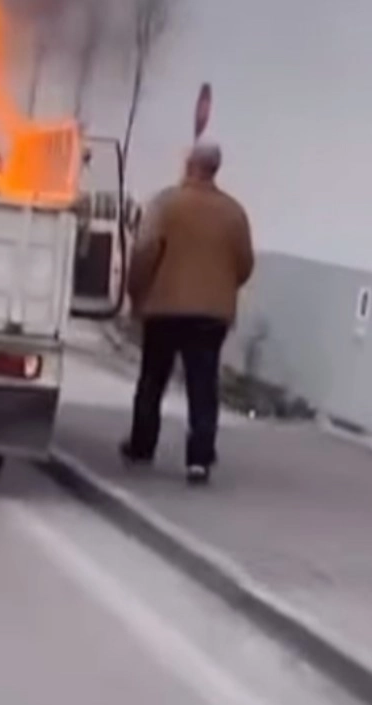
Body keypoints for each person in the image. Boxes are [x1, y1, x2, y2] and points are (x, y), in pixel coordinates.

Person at [121, 142, 255, 484]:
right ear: (215, 168)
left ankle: (142, 446)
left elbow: (146, 251)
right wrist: (220, 288)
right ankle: (199, 458)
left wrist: (136, 293)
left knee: (153, 380)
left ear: (189, 164)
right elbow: (244, 264)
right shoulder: (234, 213)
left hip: (165, 308)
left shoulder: (166, 204)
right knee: (203, 386)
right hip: (211, 314)